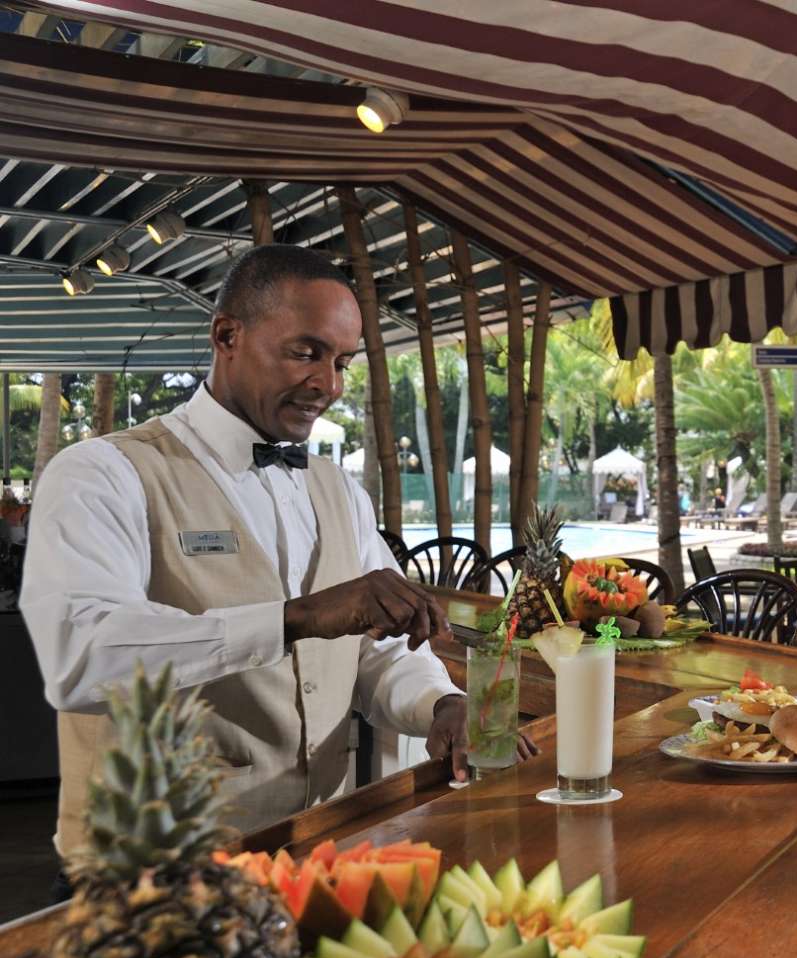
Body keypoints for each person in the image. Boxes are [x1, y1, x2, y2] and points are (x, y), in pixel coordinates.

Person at [21, 244, 535, 881]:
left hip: (317, 842)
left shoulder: (338, 490)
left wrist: (439, 703)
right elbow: (81, 657)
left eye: (342, 362)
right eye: (306, 352)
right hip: (154, 865)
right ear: (226, 334)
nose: (329, 384)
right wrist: (295, 618)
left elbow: (381, 652)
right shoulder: (104, 473)